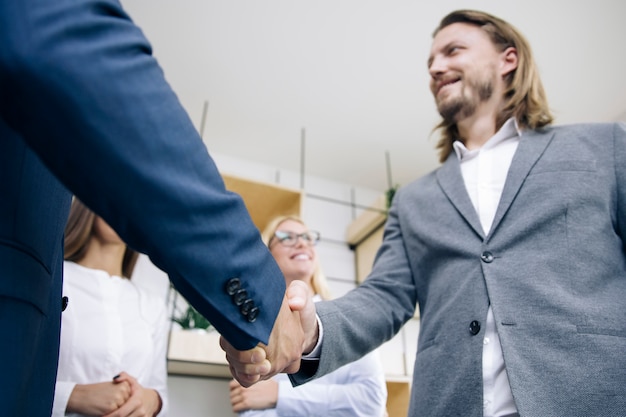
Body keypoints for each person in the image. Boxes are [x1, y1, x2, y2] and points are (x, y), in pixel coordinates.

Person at [225, 9, 626, 417]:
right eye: (431, 62)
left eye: (453, 51)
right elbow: (384, 298)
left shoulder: (604, 147)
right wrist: (311, 331)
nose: (436, 67)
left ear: (509, 59)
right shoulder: (413, 199)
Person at [0, 1, 307, 415]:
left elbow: (157, 388)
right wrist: (263, 303)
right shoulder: (61, 276)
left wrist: (150, 400)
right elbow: (63, 47)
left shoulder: (147, 302)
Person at [229, 216, 387, 417]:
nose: (301, 242)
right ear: (267, 252)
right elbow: (249, 403)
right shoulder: (253, 325)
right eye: (286, 237)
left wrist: (280, 395)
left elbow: (371, 402)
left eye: (307, 237)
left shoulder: (349, 317)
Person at [52, 199, 168, 417]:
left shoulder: (151, 304)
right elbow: (15, 373)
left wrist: (151, 400)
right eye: (115, 194)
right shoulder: (53, 282)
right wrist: (71, 396)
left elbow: (159, 390)